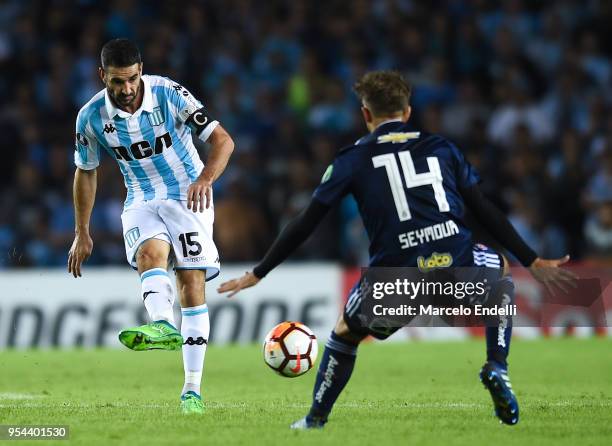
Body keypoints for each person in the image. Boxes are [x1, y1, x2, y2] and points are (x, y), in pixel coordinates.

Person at [218, 70, 573, 428]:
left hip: (396, 278)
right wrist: (531, 258)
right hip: (457, 264)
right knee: (498, 267)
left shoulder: (351, 160)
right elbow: (484, 209)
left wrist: (259, 272)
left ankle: (315, 420)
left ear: (365, 115)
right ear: (407, 112)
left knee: (345, 333)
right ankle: (497, 364)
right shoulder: (442, 147)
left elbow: (306, 222)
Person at [68, 38, 234, 414]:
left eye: (131, 79)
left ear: (140, 71)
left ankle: (192, 390)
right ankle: (161, 324)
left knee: (191, 285)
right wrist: (82, 231)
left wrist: (206, 179)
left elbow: (223, 141)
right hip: (140, 197)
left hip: (187, 194)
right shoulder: (90, 117)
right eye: (116, 82)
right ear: (102, 76)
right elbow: (86, 172)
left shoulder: (170, 93)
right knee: (149, 253)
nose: (125, 89)